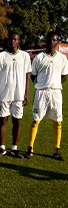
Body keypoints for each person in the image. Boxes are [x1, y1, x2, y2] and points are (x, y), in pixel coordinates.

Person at [27, 31, 67, 161]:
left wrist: (55, 84)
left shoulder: (62, 58)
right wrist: (41, 84)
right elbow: (33, 75)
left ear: (57, 42)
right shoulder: (39, 58)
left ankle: (57, 150)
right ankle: (30, 148)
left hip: (56, 93)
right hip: (41, 93)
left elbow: (64, 75)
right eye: (50, 40)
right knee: (36, 119)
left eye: (54, 40)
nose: (52, 42)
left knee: (57, 121)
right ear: (46, 40)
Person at [0, 31, 31, 158]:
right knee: (3, 120)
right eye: (11, 39)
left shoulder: (25, 56)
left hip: (19, 95)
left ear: (19, 41)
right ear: (8, 40)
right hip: (4, 94)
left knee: (17, 121)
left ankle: (14, 148)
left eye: (15, 39)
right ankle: (2, 147)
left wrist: (26, 93)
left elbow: (27, 75)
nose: (13, 41)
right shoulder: (0, 56)